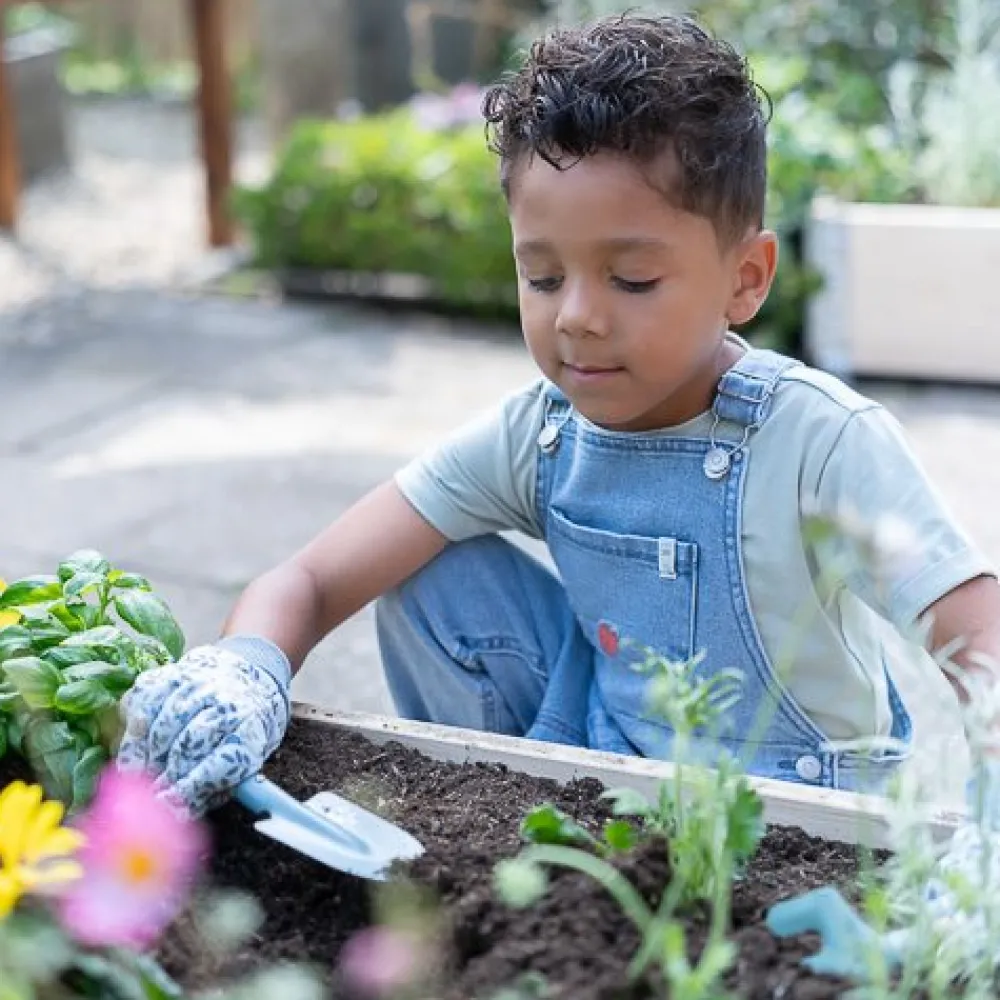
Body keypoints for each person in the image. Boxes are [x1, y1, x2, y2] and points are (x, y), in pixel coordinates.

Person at [119, 12, 1000, 820]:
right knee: (432, 575)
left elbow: (975, 632)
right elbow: (310, 578)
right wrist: (243, 671)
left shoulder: (818, 440)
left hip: (801, 820)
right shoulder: (540, 433)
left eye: (632, 279)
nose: (576, 315)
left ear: (747, 278)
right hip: (605, 782)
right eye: (542, 276)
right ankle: (509, 823)